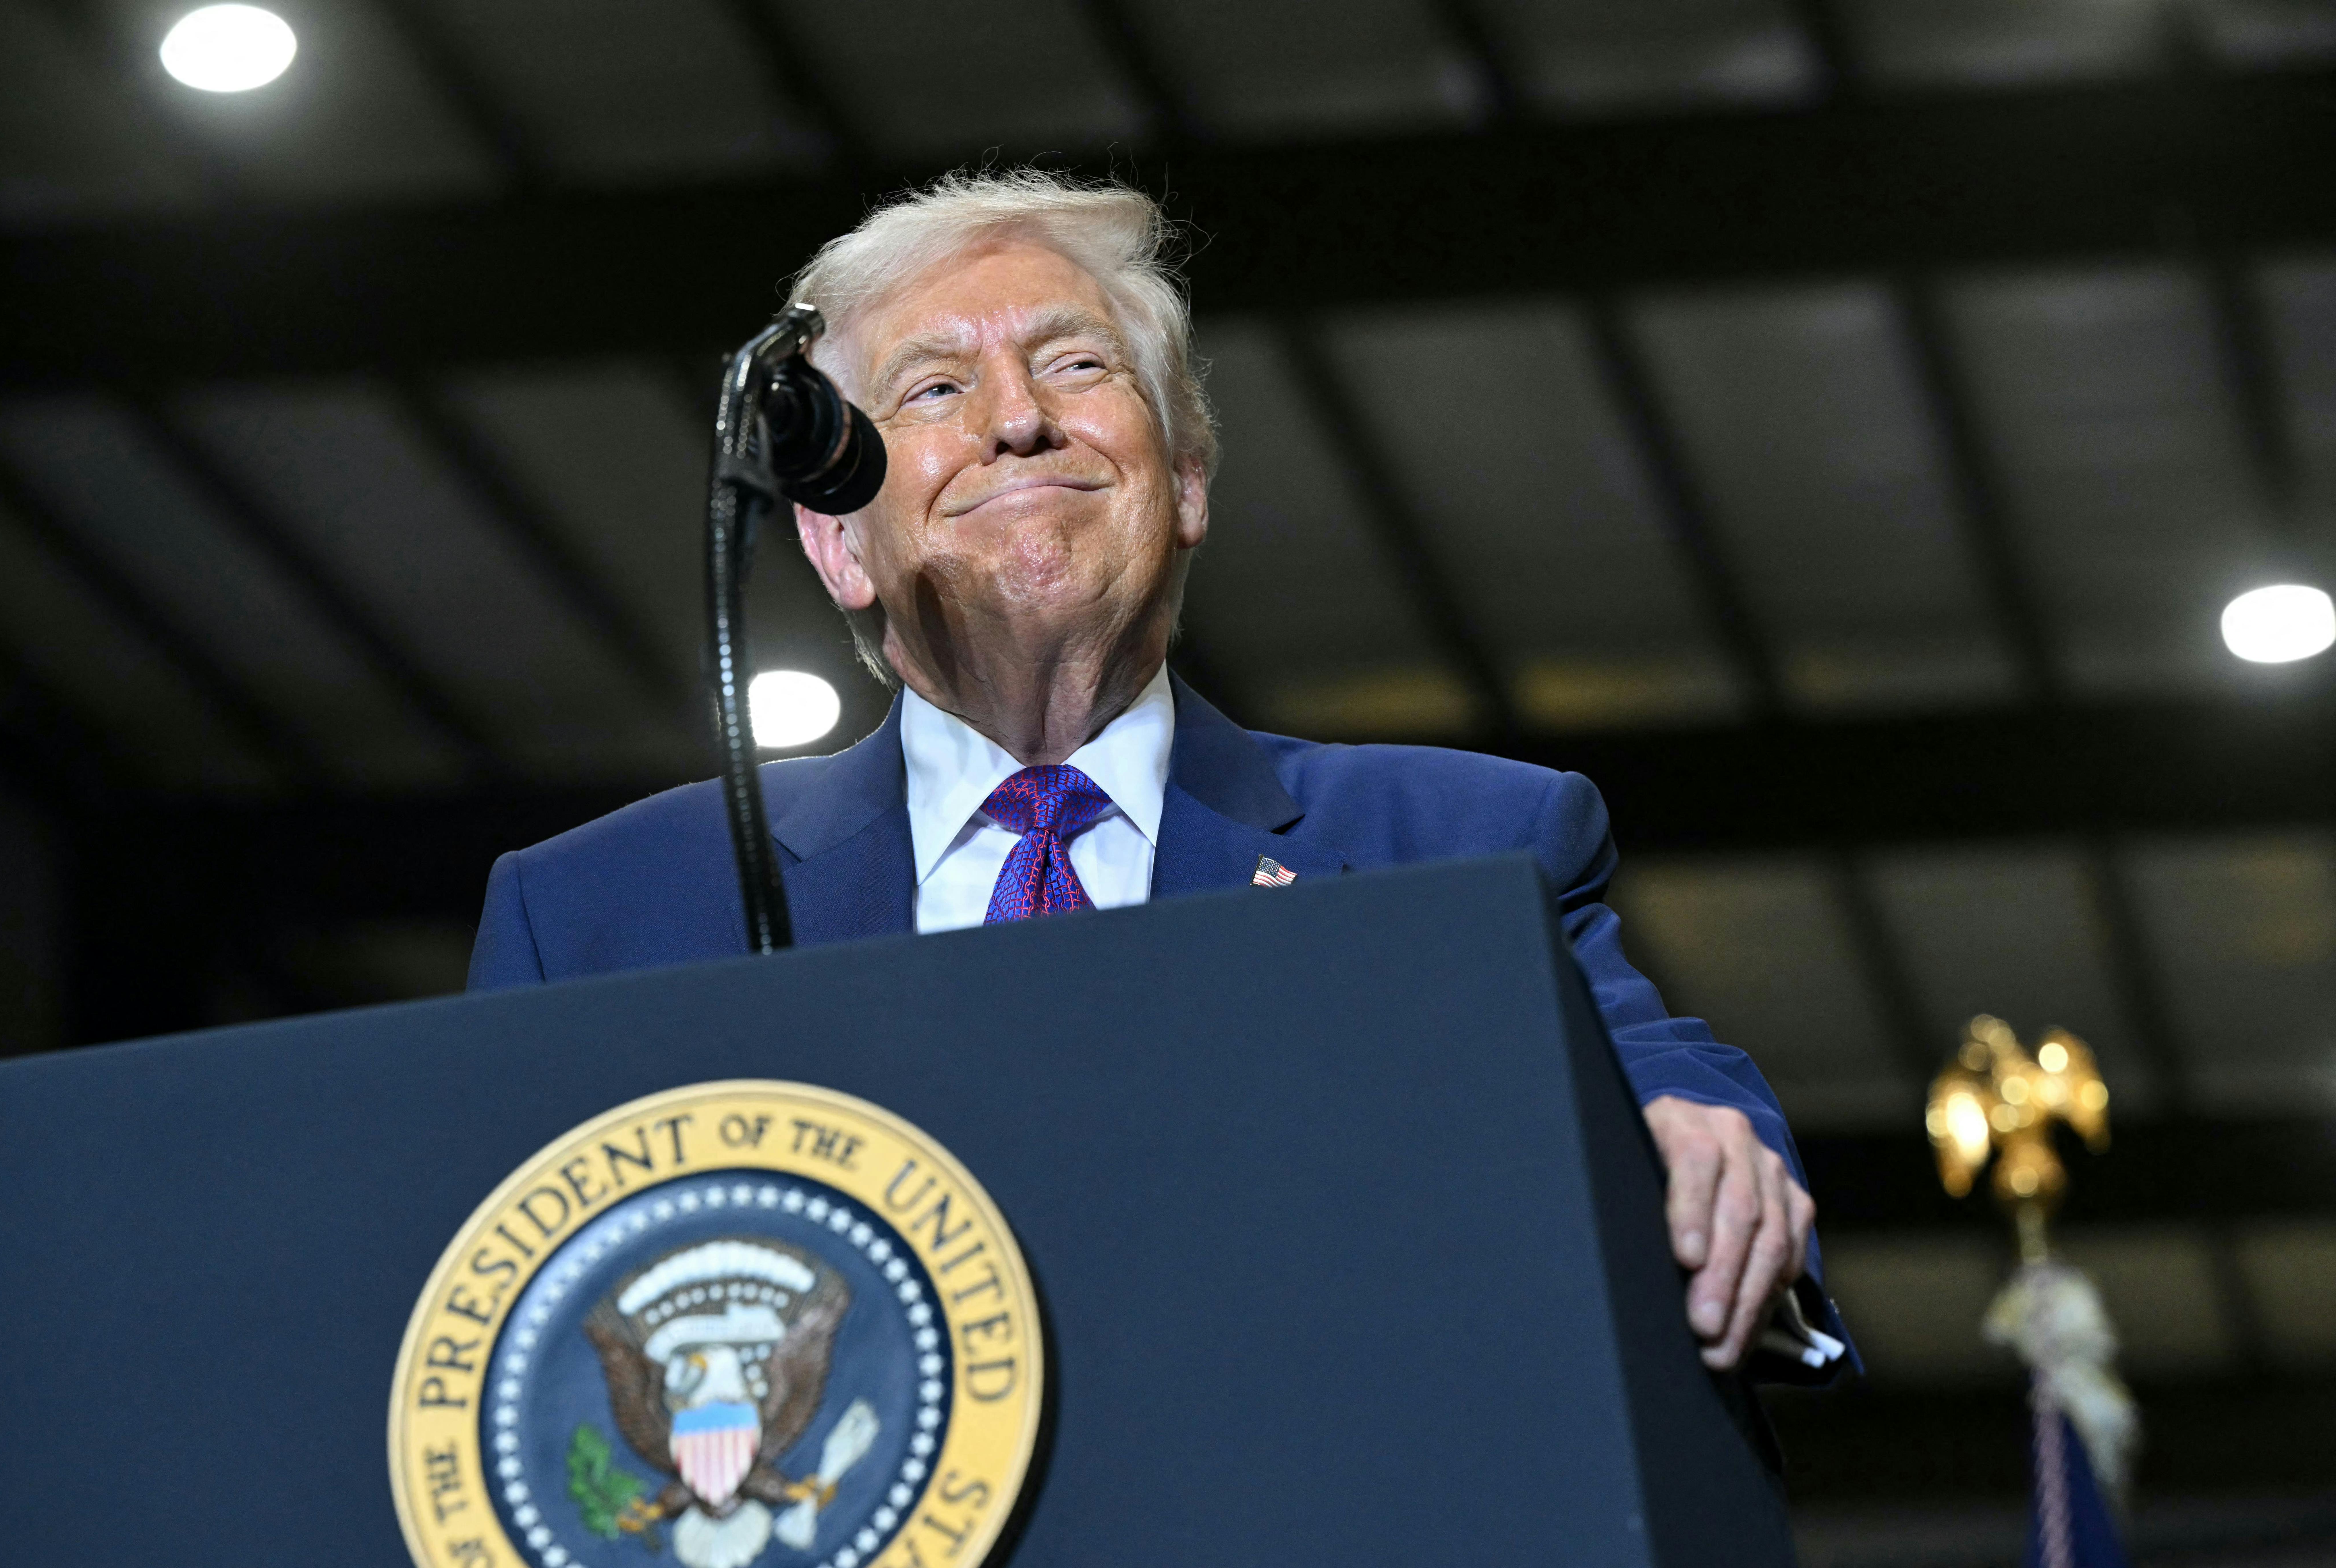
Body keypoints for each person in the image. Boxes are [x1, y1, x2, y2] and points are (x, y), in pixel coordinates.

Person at [470, 169, 1841, 1377]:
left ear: (1183, 484)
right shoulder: (603, 913)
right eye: (934, 389)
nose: (1017, 422)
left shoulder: (1463, 840)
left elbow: (1664, 1078)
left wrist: (1695, 1140)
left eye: (1076, 368)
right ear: (837, 545)